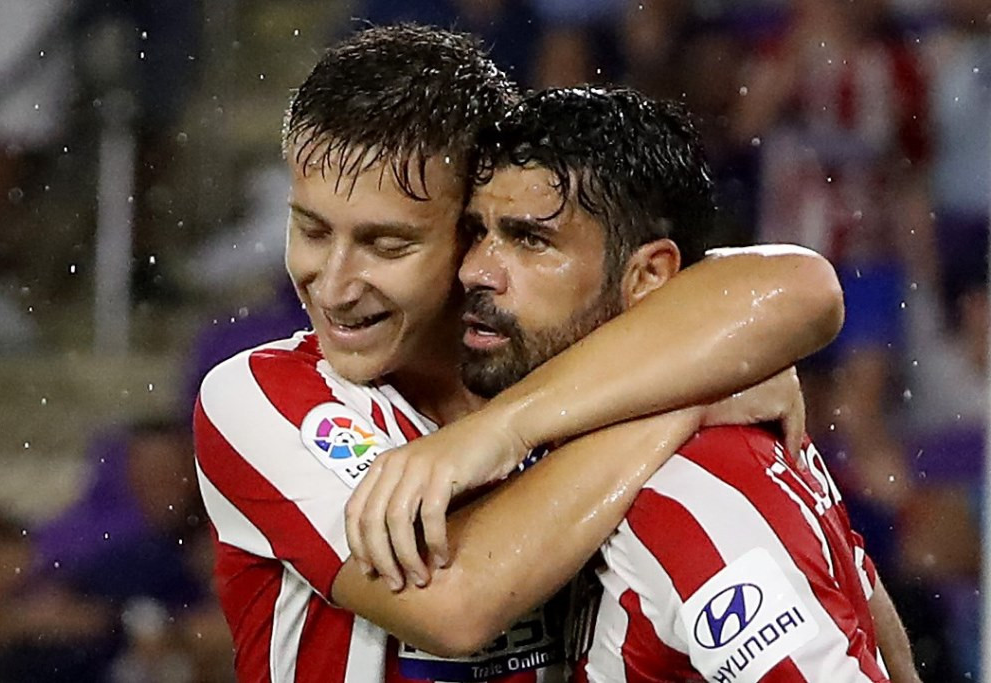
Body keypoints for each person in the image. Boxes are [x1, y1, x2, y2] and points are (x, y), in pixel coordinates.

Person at [194, 24, 845, 682]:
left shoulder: (552, 364)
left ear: (470, 232)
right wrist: (687, 397)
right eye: (310, 230)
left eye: (387, 246)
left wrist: (505, 427)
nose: (334, 285)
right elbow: (454, 606)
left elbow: (803, 287)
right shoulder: (257, 398)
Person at [352, 86, 920, 681]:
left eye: (530, 240)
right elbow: (890, 652)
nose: (476, 271)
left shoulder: (688, 493)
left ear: (649, 276)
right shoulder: (704, 415)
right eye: (477, 233)